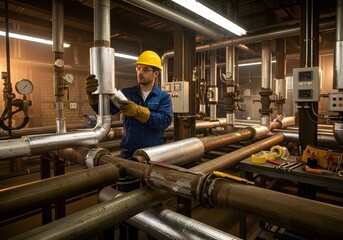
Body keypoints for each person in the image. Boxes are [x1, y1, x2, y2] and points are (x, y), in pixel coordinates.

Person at [85, 50, 173, 159]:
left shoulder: (163, 97)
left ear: (155, 73)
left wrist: (137, 111)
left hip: (153, 153)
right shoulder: (127, 93)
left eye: (145, 70)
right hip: (129, 153)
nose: (140, 72)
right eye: (138, 68)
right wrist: (92, 97)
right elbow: (106, 111)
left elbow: (164, 121)